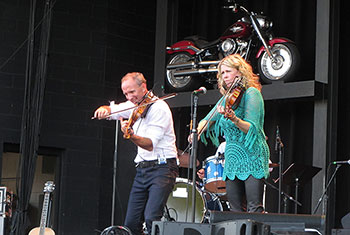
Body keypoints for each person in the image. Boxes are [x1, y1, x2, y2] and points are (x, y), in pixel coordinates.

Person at [94, 72, 178, 235]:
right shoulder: (134, 106)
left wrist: (130, 135)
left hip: (162, 168)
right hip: (142, 170)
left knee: (151, 218)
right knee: (131, 223)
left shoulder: (159, 107)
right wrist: (103, 110)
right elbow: (113, 110)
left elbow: (149, 144)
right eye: (126, 94)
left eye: (132, 92)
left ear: (143, 86)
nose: (129, 97)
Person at [193, 54, 270, 212]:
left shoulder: (251, 94)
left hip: (252, 156)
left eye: (228, 71)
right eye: (222, 73)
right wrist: (197, 131)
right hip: (232, 160)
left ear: (239, 72)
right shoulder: (226, 99)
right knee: (234, 210)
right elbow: (206, 120)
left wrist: (235, 119)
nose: (224, 76)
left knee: (253, 208)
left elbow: (252, 128)